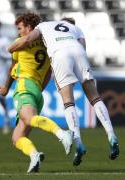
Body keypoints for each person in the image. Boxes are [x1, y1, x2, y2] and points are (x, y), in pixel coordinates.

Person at [8, 16, 120, 166]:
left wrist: (11, 48)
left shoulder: (43, 26)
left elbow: (28, 40)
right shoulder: (75, 29)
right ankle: (111, 135)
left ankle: (78, 143)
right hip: (78, 51)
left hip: (60, 54)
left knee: (68, 102)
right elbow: (82, 49)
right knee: (95, 97)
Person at [0, 12, 73, 173]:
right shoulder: (48, 44)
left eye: (20, 28)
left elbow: (13, 66)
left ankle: (62, 134)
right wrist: (39, 89)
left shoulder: (20, 43)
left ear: (29, 27)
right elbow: (48, 72)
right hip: (37, 91)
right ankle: (34, 156)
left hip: (24, 85)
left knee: (28, 118)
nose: (18, 32)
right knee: (17, 137)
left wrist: (5, 86)